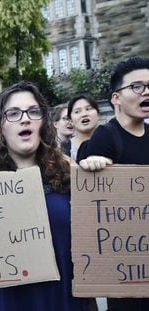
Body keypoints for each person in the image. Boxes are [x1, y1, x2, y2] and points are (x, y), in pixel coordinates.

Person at [0, 81, 94, 311]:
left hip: (61, 300)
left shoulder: (67, 168)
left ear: (43, 122)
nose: (25, 118)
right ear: (0, 126)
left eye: (33, 111)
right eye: (13, 113)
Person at [77, 55, 149, 310]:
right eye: (137, 86)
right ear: (116, 97)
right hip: (125, 269)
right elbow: (88, 203)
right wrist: (90, 166)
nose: (146, 92)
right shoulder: (105, 137)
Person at [66, 94, 100, 161]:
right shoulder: (65, 148)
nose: (84, 114)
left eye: (88, 109)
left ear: (98, 115)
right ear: (70, 120)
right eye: (77, 112)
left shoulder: (111, 141)